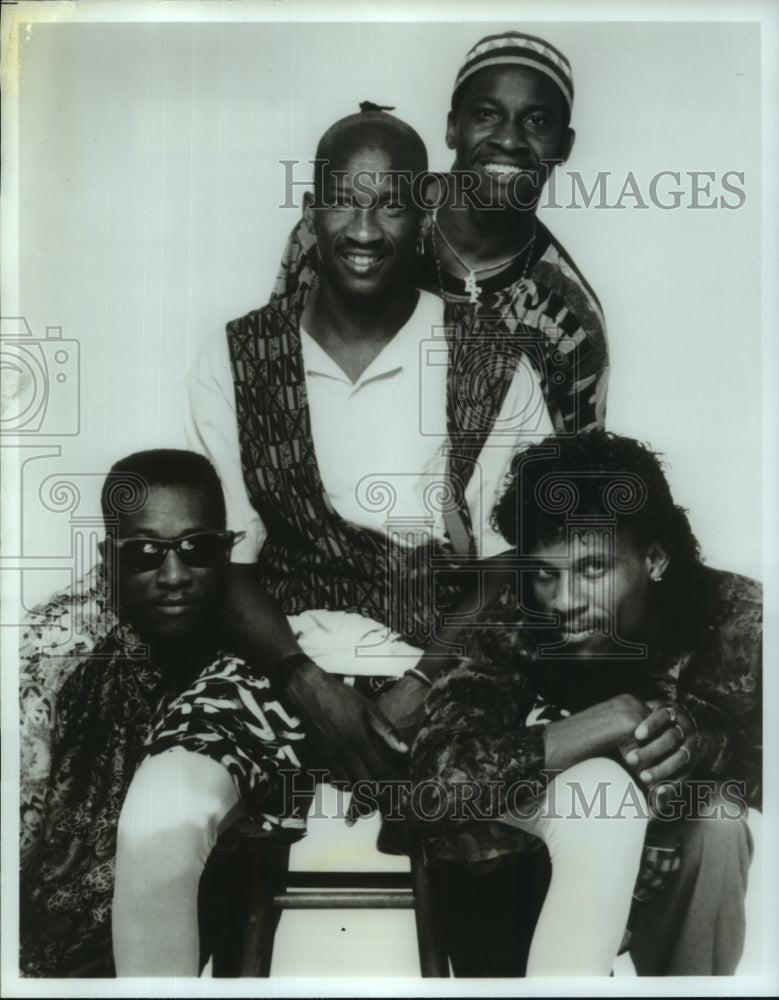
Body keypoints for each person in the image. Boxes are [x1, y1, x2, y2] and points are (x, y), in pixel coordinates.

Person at [111, 106, 554, 975]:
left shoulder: (489, 356)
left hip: (444, 665)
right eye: (341, 202)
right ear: (309, 207)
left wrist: (419, 687)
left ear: (425, 207)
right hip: (279, 657)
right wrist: (306, 685)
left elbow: (511, 567)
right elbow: (222, 560)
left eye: (389, 204)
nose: (361, 229)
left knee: (517, 842)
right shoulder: (237, 357)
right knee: (155, 816)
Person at [409, 429, 761, 976]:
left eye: (593, 569)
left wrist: (698, 738)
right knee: (596, 798)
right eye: (547, 574)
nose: (564, 601)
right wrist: (596, 726)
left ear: (655, 559)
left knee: (720, 821)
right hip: (518, 872)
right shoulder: (515, 618)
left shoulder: (739, 618)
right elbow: (436, 780)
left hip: (662, 859)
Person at [19, 449, 292, 976]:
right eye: (145, 552)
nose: (174, 574)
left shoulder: (250, 643)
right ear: (108, 555)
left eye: (198, 549)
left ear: (228, 551)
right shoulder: (56, 646)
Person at [273, 31, 609, 436]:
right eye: (486, 113)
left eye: (537, 121)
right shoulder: (347, 233)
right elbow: (271, 383)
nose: (508, 138)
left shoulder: (570, 320)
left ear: (564, 146)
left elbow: (569, 481)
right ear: (452, 128)